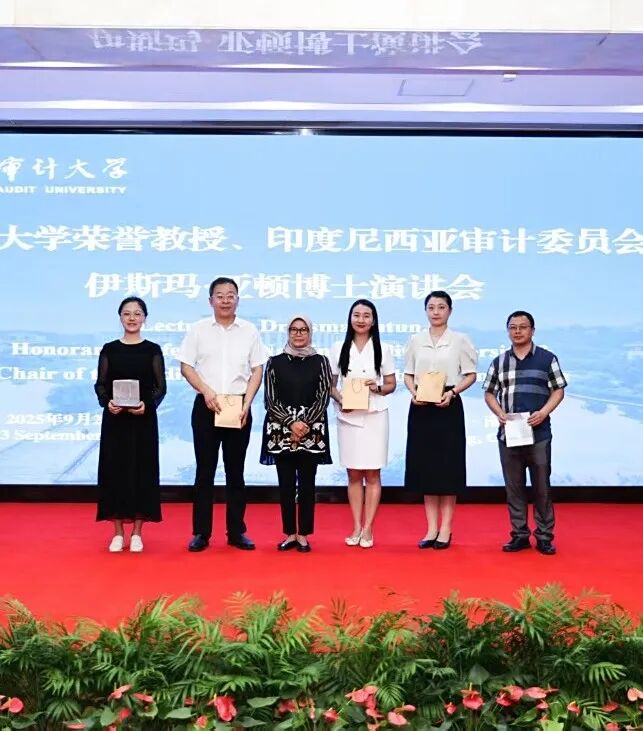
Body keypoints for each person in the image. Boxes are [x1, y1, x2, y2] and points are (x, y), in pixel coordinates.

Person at [178, 277, 267, 552]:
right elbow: (186, 366)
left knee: (235, 472)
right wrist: (206, 391)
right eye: (220, 295)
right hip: (206, 405)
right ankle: (201, 533)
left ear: (237, 300)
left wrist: (247, 403)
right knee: (204, 472)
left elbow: (257, 369)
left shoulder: (249, 331)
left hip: (238, 406)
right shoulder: (198, 330)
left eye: (231, 295)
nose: (225, 300)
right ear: (211, 301)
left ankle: (236, 531)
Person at [483, 310, 566, 555]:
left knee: (542, 487)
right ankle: (519, 535)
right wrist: (499, 412)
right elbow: (489, 392)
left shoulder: (547, 358)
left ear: (532, 330)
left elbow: (558, 390)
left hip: (539, 434)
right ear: (508, 331)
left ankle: (544, 536)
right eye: (513, 327)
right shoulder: (499, 362)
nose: (517, 331)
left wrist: (544, 412)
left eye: (523, 327)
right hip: (509, 434)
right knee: (514, 488)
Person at [404, 291, 477, 550]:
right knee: (426, 468)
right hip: (421, 406)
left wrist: (453, 392)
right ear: (426, 311)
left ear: (450, 311)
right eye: (431, 307)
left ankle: (446, 528)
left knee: (447, 468)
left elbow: (470, 374)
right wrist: (413, 393)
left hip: (448, 404)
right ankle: (431, 528)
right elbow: (408, 374)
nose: (436, 312)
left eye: (441, 307)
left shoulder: (460, 340)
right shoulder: (416, 340)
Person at [94, 296, 166, 553]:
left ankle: (137, 532)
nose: (132, 318)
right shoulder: (110, 349)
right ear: (120, 317)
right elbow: (100, 384)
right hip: (115, 421)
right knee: (114, 472)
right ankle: (117, 532)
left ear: (144, 318)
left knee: (141, 472)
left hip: (143, 421)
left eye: (137, 313)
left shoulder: (152, 350)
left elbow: (160, 387)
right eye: (127, 313)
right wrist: (107, 402)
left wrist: (148, 404)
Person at [260, 315, 332, 553]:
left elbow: (323, 396)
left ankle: (303, 535)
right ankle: (290, 533)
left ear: (310, 333)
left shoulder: (321, 361)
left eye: (303, 330)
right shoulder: (274, 362)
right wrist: (292, 423)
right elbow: (270, 400)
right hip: (282, 430)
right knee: (286, 485)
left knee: (308, 485)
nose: (298, 334)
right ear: (288, 332)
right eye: (294, 329)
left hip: (312, 431)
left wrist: (304, 423)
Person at [330, 299, 396, 549]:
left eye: (366, 315)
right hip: (348, 416)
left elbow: (391, 384)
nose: (361, 319)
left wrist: (377, 388)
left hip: (375, 415)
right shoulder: (338, 347)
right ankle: (356, 526)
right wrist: (341, 400)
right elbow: (330, 384)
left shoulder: (383, 348)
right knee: (354, 473)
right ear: (350, 318)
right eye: (356, 315)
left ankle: (368, 528)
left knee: (373, 473)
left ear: (373, 320)